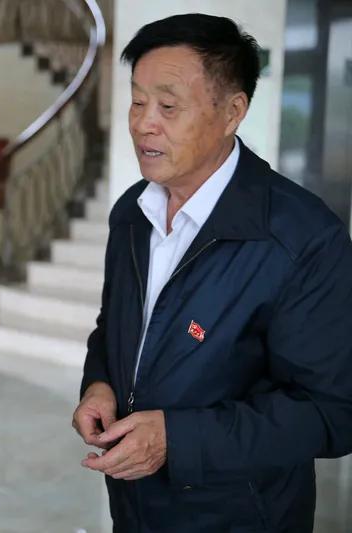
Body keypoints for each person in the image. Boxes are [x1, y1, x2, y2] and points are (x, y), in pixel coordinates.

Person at [72, 13, 352, 532]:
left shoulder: (302, 238)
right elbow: (115, 328)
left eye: (168, 106)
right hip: (134, 509)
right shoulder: (133, 212)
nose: (143, 123)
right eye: (136, 102)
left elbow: (330, 412)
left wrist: (176, 440)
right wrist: (99, 383)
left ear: (232, 112)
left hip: (241, 516)